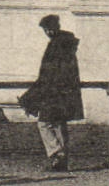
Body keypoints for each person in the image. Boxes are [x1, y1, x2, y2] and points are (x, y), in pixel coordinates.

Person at [19, 14, 82, 172]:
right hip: (66, 93)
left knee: (44, 124)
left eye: (46, 30)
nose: (46, 32)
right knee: (59, 124)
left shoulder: (55, 46)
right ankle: (62, 158)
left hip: (53, 93)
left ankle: (57, 154)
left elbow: (47, 75)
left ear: (50, 30)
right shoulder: (68, 45)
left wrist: (32, 96)